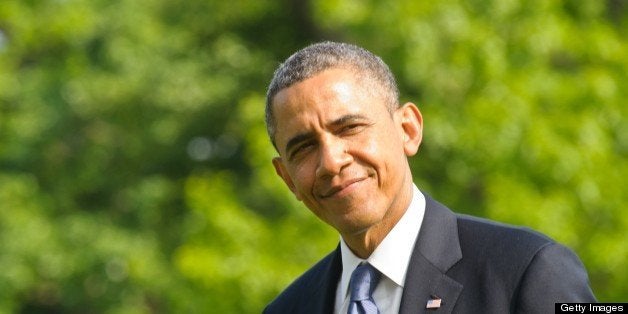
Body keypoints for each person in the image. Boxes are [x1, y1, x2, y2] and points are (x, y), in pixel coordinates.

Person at [262, 41, 596, 314]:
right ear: (287, 179)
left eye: (349, 128)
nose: (331, 162)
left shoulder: (525, 271)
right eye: (304, 148)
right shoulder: (288, 308)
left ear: (408, 129)